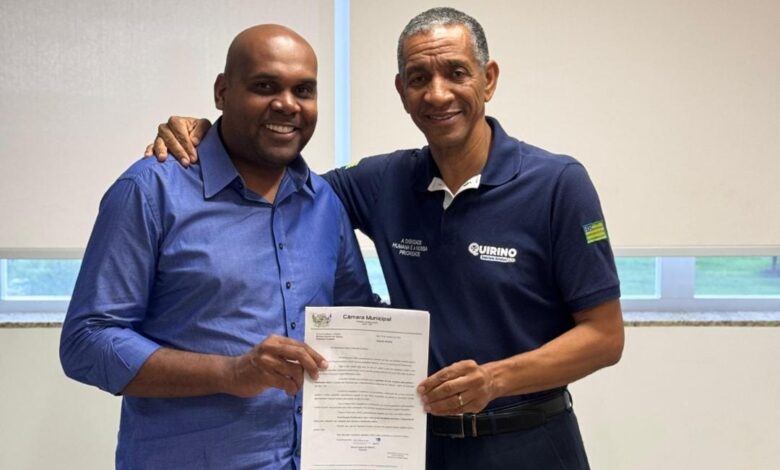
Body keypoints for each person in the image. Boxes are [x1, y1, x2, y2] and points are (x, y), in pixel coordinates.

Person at [149, 8, 624, 469]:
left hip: (531, 439)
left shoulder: (557, 184)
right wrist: (213, 133)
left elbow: (604, 337)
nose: (437, 94)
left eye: (456, 73)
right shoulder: (384, 181)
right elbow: (278, 184)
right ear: (402, 91)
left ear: (489, 79)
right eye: (418, 78)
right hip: (418, 446)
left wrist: (495, 380)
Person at [60, 24, 376, 469]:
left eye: (303, 90)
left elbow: (356, 324)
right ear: (222, 91)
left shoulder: (324, 203)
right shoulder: (151, 190)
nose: (287, 104)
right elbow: (86, 342)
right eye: (265, 86)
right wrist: (232, 372)